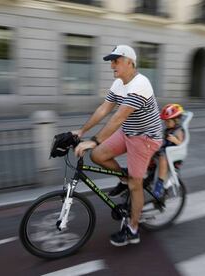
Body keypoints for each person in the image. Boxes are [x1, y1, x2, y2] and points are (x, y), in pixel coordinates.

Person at [72, 45, 163, 246]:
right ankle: (123, 178)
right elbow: (104, 109)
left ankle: (133, 229)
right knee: (97, 155)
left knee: (135, 184)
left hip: (145, 138)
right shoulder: (119, 83)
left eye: (116, 61)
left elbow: (118, 118)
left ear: (130, 62)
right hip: (128, 132)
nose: (112, 65)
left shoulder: (141, 83)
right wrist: (82, 131)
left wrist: (94, 140)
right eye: (111, 61)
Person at [153, 103, 185, 198]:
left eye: (168, 121)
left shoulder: (178, 131)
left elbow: (182, 145)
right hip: (166, 151)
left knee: (162, 158)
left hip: (173, 156)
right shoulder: (168, 129)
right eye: (165, 121)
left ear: (176, 120)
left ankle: (159, 184)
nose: (165, 123)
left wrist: (175, 140)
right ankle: (148, 172)